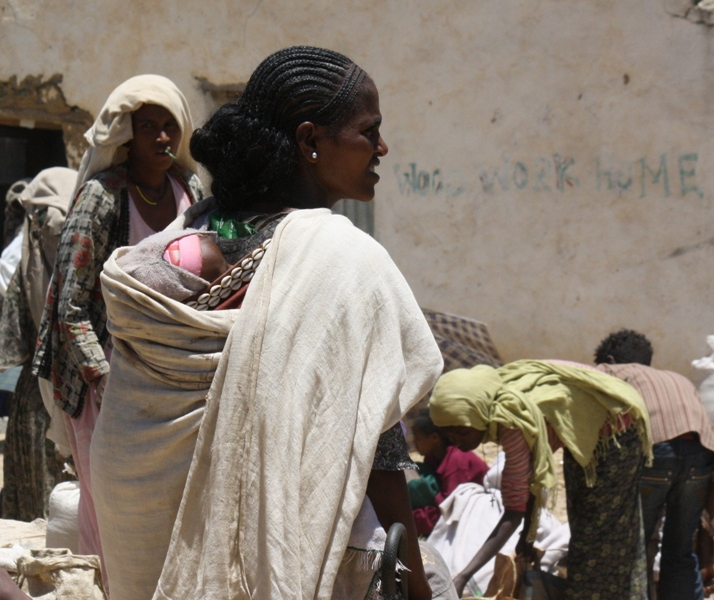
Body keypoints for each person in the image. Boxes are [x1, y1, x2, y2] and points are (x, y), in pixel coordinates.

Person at [92, 47, 444, 600]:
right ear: (309, 142)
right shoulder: (342, 260)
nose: (382, 148)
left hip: (140, 528)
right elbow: (375, 447)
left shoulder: (175, 243)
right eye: (369, 131)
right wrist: (420, 587)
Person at [31, 75, 202, 571]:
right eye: (149, 126)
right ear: (126, 134)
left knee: (165, 500)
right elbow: (70, 306)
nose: (163, 139)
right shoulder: (101, 199)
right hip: (99, 380)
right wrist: (103, 377)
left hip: (168, 373)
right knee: (107, 502)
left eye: (170, 126)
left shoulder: (187, 190)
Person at [429, 359, 653, 599]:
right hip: (586, 435)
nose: (459, 442)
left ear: (480, 412)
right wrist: (528, 536)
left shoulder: (512, 419)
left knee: (599, 540)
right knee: (583, 526)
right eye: (450, 435)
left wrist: (463, 575)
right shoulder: (496, 402)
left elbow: (514, 509)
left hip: (618, 429)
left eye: (463, 431)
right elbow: (531, 481)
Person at [595, 329, 714, 600]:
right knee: (680, 550)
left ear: (610, 358)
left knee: (637, 546)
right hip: (701, 455)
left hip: (658, 454)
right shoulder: (676, 377)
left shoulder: (611, 370)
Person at [0, 167, 76, 520]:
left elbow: (10, 341)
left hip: (37, 399)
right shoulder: (97, 251)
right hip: (81, 398)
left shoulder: (29, 259)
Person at [409, 409, 488, 536]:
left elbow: (450, 513)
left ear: (434, 438)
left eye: (418, 438)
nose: (414, 443)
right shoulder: (432, 458)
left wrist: (413, 520)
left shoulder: (456, 462)